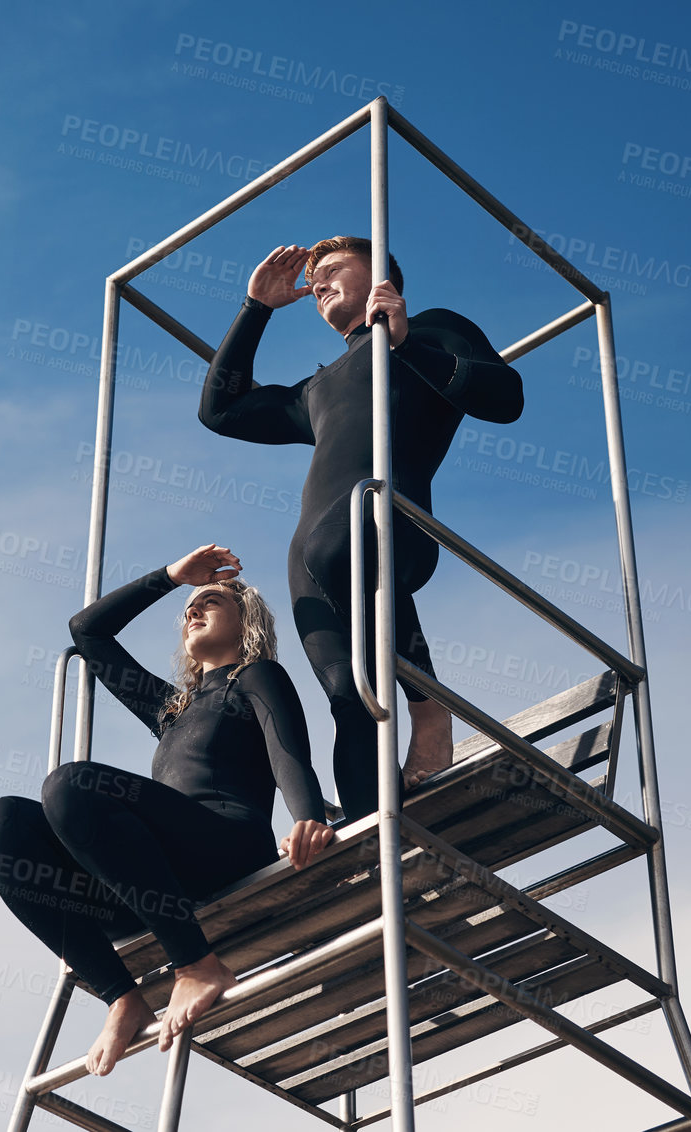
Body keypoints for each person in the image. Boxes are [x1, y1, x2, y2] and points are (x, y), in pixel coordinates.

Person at [198, 237, 524, 820]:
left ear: (381, 275)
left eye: (332, 270)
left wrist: (403, 343)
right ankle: (380, 853)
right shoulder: (318, 387)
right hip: (312, 556)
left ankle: (428, 708)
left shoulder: (432, 330)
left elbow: (505, 398)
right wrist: (256, 309)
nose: (318, 284)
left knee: (338, 538)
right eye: (313, 280)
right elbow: (220, 412)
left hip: (386, 523)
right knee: (350, 703)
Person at [0, 543, 333, 1077]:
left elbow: (288, 753)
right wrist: (172, 576)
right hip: (153, 879)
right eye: (189, 606)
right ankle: (121, 997)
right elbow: (88, 632)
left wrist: (309, 816)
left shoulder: (257, 677)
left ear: (248, 620)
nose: (193, 609)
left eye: (210, 601)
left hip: (227, 849)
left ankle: (196, 965)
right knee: (3, 822)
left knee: (71, 784)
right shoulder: (171, 708)